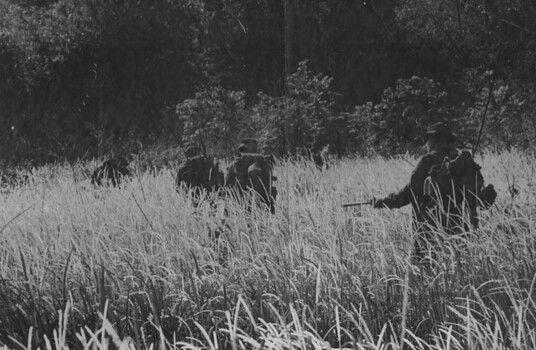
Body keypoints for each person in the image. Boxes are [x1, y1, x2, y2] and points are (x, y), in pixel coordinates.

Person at [373, 122, 497, 260]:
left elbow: (410, 192)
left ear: (434, 139)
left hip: (430, 233)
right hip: (460, 231)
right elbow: (477, 196)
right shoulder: (464, 161)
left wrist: (381, 202)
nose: (427, 144)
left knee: (423, 274)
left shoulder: (427, 160)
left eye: (428, 140)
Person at [226, 139, 277, 213]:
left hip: (252, 201)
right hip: (244, 199)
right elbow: (228, 184)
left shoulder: (262, 163)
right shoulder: (236, 164)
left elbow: (227, 184)